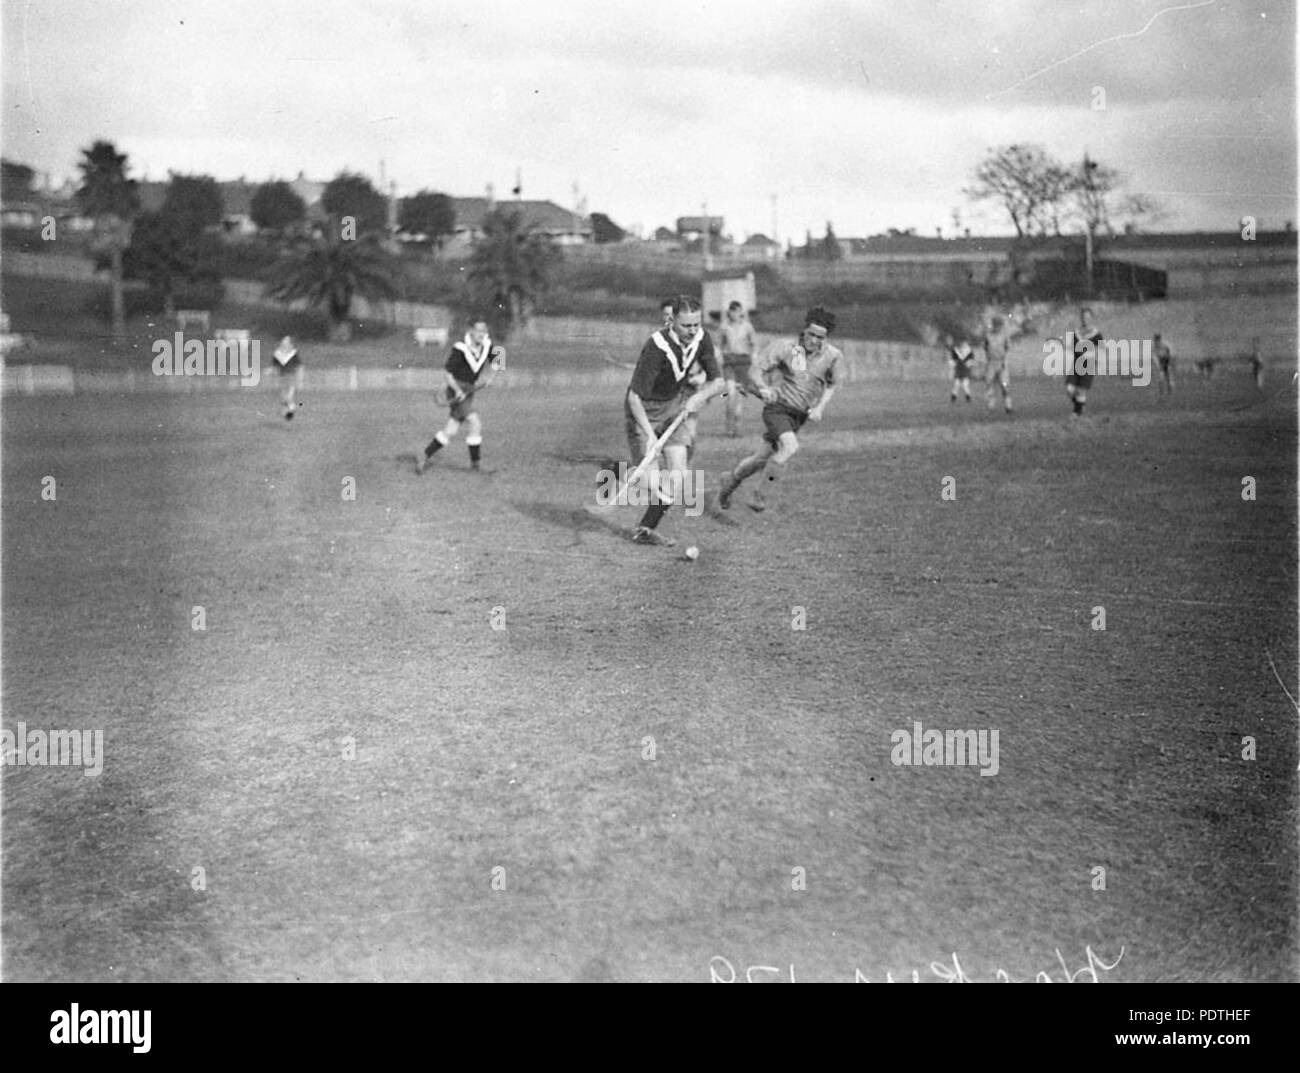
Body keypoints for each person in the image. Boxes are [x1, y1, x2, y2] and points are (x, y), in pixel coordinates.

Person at [716, 306, 841, 513]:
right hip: (777, 409)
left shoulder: (833, 355)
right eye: (811, 334)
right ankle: (760, 495)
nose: (814, 340)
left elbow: (832, 384)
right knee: (790, 447)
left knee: (760, 459)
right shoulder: (786, 348)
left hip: (798, 416)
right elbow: (755, 371)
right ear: (804, 330)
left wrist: (819, 407)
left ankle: (729, 482)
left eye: (820, 337)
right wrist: (764, 388)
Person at [624, 295, 725, 545]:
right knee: (653, 483)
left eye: (695, 325)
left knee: (678, 474)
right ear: (672, 322)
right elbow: (634, 398)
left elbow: (719, 382)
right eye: (685, 326)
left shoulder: (702, 339)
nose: (692, 331)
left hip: (674, 410)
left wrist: (698, 398)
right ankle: (626, 474)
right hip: (644, 413)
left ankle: (645, 529)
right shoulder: (656, 346)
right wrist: (649, 435)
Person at [414, 317, 505, 474]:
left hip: (469, 390)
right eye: (478, 330)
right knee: (475, 422)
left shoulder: (487, 345)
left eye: (484, 330)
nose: (481, 334)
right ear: (470, 331)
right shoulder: (460, 348)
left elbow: (499, 357)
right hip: (455, 389)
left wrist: (491, 377)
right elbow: (447, 375)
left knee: (451, 430)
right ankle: (476, 465)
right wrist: (457, 391)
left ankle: (425, 454)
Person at [719, 300, 757, 436]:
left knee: (740, 396)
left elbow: (753, 344)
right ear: (729, 312)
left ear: (741, 312)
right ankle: (728, 426)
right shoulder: (724, 327)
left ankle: (737, 427)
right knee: (730, 394)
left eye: (737, 311)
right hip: (730, 362)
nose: (735, 314)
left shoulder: (747, 327)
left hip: (743, 362)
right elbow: (721, 344)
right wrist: (721, 357)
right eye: (732, 311)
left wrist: (754, 359)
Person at [1066, 306, 1103, 417]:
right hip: (1077, 365)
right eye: (1083, 317)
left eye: (1087, 317)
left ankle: (1077, 412)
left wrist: (1094, 357)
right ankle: (1080, 405)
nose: (1085, 319)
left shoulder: (1096, 334)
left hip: (1089, 365)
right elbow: (1073, 349)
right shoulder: (1077, 333)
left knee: (1081, 390)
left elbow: (1102, 349)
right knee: (1069, 389)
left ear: (1091, 318)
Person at [982, 314, 1013, 412]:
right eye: (996, 325)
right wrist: (988, 361)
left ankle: (1008, 405)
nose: (998, 327)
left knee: (1004, 384)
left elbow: (1007, 348)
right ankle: (991, 405)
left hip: (1001, 362)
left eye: (999, 325)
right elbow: (986, 348)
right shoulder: (988, 336)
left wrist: (1004, 360)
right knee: (989, 383)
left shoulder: (1004, 336)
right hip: (991, 362)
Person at [273, 336, 303, 420]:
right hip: (281, 377)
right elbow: (275, 365)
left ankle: (289, 409)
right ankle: (288, 410)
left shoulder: (293, 354)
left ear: (290, 344)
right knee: (283, 396)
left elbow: (299, 366)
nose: (284, 344)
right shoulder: (277, 354)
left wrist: (299, 379)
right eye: (283, 342)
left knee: (288, 396)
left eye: (286, 342)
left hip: (291, 376)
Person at [947, 334, 976, 403]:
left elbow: (971, 360)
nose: (962, 343)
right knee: (956, 384)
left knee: (965, 384)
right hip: (958, 369)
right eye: (961, 342)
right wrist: (952, 364)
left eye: (964, 342)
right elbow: (952, 359)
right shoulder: (956, 350)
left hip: (965, 369)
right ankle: (953, 397)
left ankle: (968, 397)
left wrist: (969, 364)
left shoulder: (969, 350)